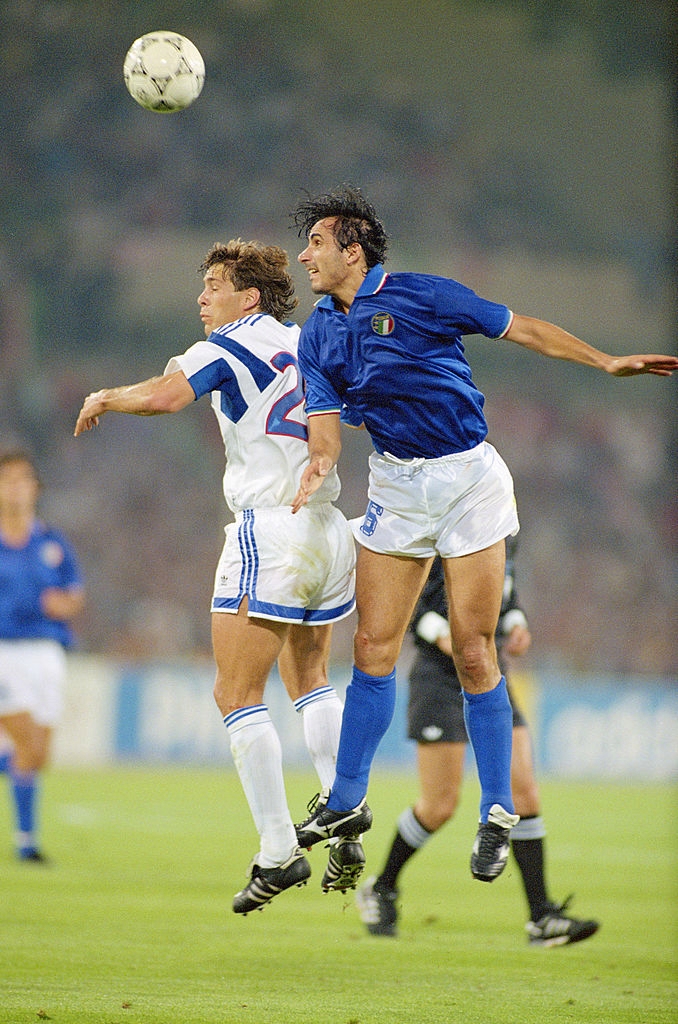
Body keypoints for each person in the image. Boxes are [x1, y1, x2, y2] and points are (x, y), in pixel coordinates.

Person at [290, 184, 678, 885]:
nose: (304, 256)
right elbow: (324, 423)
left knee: (474, 649)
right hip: (396, 485)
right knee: (372, 646)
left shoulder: (424, 295)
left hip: (468, 480)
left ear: (354, 249)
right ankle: (345, 801)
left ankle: (497, 809)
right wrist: (319, 461)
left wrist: (605, 362)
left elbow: (522, 328)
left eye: (315, 243)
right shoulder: (316, 331)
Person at [74, 239, 359, 913]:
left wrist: (107, 395)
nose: (202, 298)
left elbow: (166, 396)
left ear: (248, 297)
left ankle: (279, 850)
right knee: (310, 677)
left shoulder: (231, 343)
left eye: (213, 285)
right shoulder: (306, 341)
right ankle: (343, 806)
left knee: (235, 692)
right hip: (327, 525)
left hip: (272, 527)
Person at [356, 540, 600, 946]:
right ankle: (382, 887)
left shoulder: (504, 528)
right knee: (439, 805)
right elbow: (410, 605)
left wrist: (516, 621)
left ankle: (541, 916)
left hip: (489, 677)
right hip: (439, 679)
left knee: (524, 793)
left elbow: (505, 589)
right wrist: (442, 634)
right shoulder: (441, 528)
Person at [0, 449, 85, 862]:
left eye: (23, 479)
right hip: (4, 651)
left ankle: (26, 841)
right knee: (27, 742)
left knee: (37, 755)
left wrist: (63, 604)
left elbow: (75, 594)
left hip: (47, 651)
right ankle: (26, 843)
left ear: (35, 488)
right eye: (7, 480)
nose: (15, 488)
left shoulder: (52, 542)